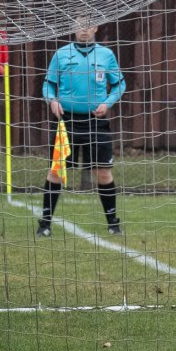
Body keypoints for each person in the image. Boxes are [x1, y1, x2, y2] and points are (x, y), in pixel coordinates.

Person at [38, 19, 126, 237]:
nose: (84, 30)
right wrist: (52, 101)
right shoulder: (61, 54)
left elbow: (119, 84)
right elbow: (48, 84)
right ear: (73, 27)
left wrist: (107, 103)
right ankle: (45, 224)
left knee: (103, 173)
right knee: (56, 172)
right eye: (80, 25)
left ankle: (113, 224)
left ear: (96, 28)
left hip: (96, 123)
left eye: (89, 25)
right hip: (66, 122)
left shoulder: (106, 55)